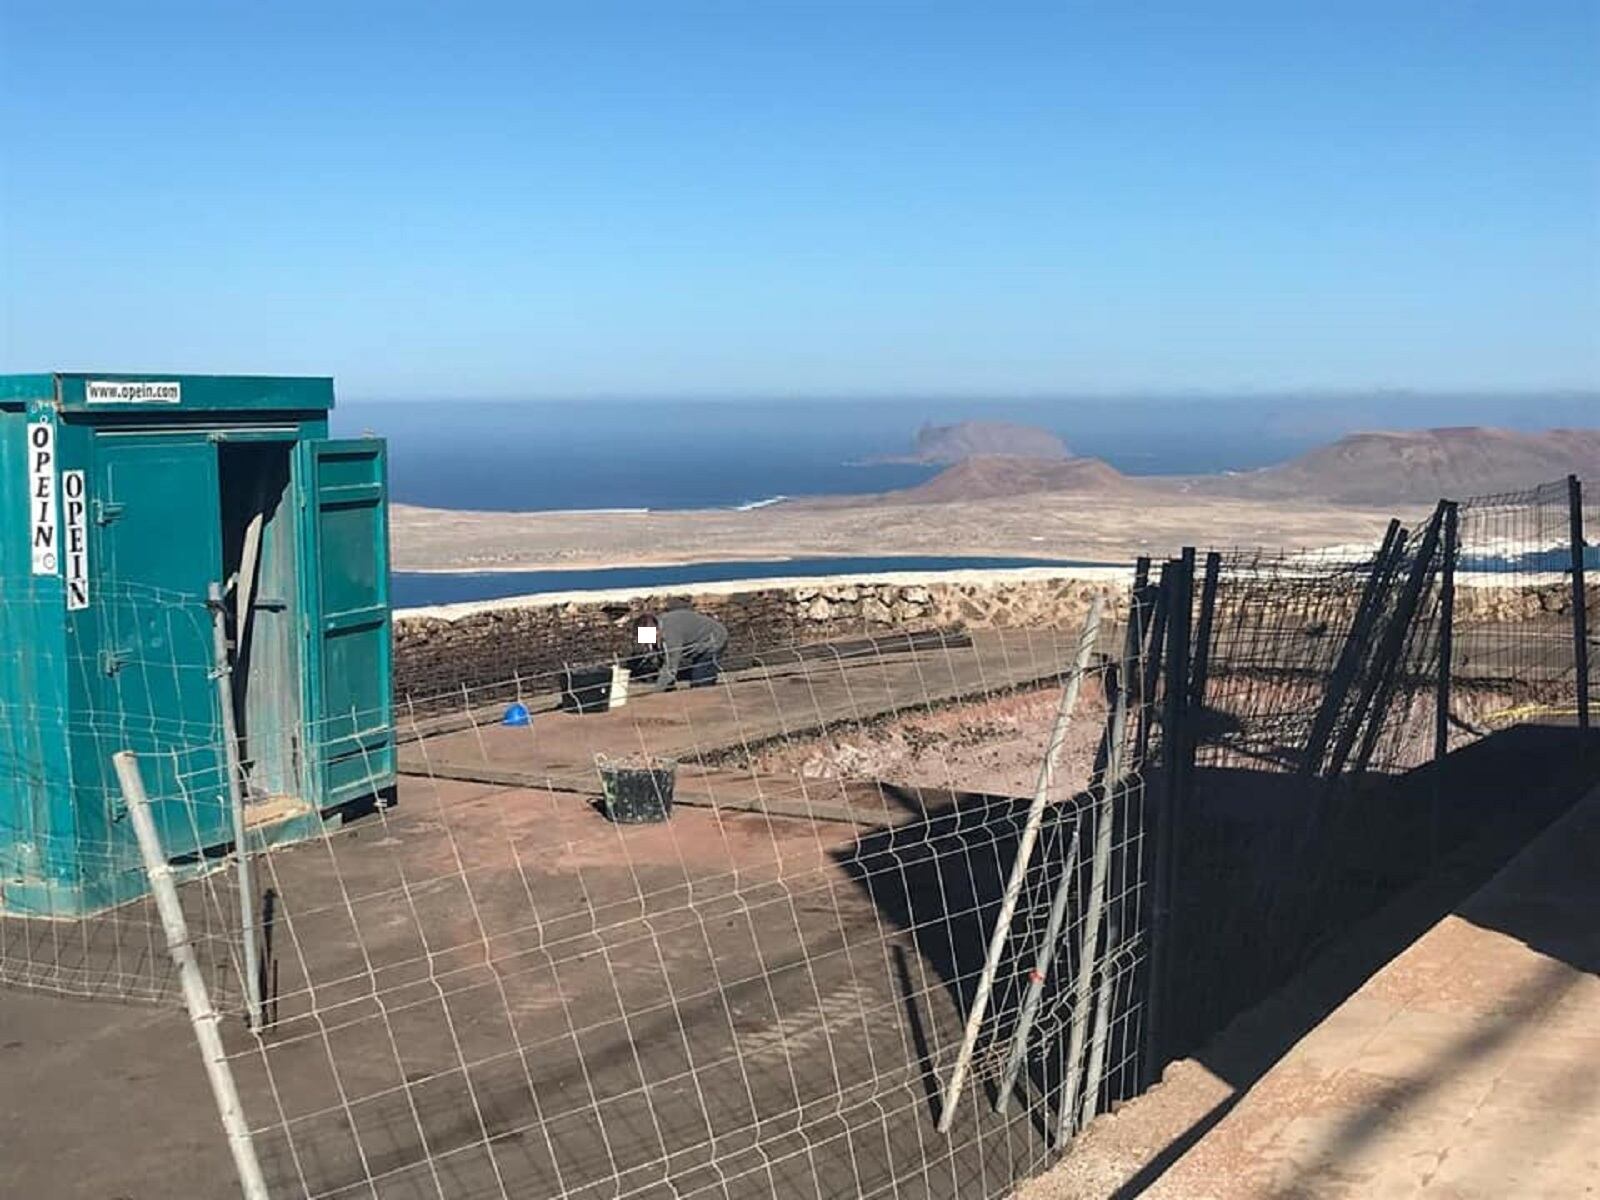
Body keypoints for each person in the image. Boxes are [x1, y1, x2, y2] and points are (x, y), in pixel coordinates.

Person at [633, 608, 729, 690]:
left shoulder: (671, 636)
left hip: (714, 638)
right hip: (697, 639)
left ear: (656, 631)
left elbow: (671, 668)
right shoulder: (657, 625)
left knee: (700, 681)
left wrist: (655, 693)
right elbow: (659, 653)